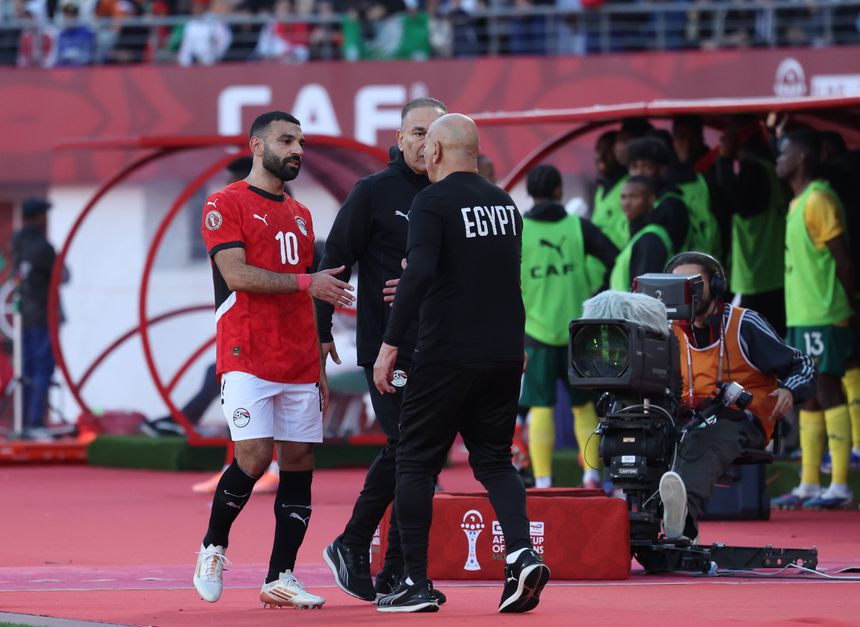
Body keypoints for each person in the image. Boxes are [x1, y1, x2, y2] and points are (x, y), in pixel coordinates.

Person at [373, 113, 550, 613]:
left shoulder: (431, 202)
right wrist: (516, 344)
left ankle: (413, 581)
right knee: (494, 460)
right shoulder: (506, 204)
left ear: (436, 151)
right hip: (503, 353)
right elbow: (508, 281)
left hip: (447, 352)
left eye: (426, 144)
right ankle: (521, 555)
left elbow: (419, 275)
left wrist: (389, 344)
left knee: (414, 460)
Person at [192, 110, 355, 609]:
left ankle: (280, 576)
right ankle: (213, 548)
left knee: (299, 461)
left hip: (298, 359)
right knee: (254, 456)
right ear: (257, 146)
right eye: (287, 140)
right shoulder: (224, 203)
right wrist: (309, 282)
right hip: (246, 352)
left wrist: (318, 363)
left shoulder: (302, 215)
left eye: (301, 142)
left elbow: (306, 297)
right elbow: (237, 275)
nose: (297, 151)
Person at [318, 97, 449, 604]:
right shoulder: (373, 191)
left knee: (421, 458)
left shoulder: (451, 193)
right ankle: (358, 546)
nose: (425, 142)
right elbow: (335, 261)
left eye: (434, 133)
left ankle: (388, 568)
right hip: (387, 349)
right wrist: (322, 330)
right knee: (409, 449)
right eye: (417, 132)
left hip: (441, 347)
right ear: (399, 139)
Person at [658, 251, 815, 541]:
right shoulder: (666, 330)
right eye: (680, 284)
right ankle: (644, 521)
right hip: (686, 418)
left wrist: (789, 390)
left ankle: (682, 523)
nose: (688, 291)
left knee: (705, 438)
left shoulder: (744, 323)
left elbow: (801, 364)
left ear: (717, 286)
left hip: (741, 418)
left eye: (695, 283)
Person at [771, 130, 857, 510]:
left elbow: (844, 259)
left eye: (783, 153)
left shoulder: (819, 199)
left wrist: (850, 305)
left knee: (827, 388)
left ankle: (839, 484)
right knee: (805, 394)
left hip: (824, 313)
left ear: (802, 158)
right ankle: (808, 482)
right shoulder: (797, 202)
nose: (778, 160)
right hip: (802, 314)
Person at [519, 163, 618, 490]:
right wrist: (598, 292)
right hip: (579, 332)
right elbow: (615, 257)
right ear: (559, 191)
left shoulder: (519, 231)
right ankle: (591, 475)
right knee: (583, 405)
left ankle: (543, 481)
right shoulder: (579, 227)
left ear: (530, 193)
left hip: (535, 333)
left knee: (540, 406)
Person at [12, 198, 63, 433]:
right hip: (42, 316)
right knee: (42, 368)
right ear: (40, 216)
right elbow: (62, 275)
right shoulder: (43, 247)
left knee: (26, 367)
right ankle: (36, 421)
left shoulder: (17, 243)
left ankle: (23, 421)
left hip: (23, 317)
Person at [609, 176, 673, 291]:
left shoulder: (650, 239)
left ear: (651, 199)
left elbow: (644, 292)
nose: (627, 203)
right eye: (623, 197)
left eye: (634, 197)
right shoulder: (640, 234)